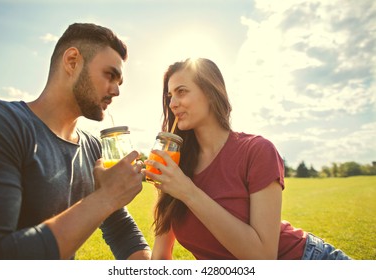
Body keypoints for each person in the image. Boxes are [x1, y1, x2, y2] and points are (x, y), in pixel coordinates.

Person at [144, 58, 351, 260]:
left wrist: (188, 192)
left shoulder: (257, 151)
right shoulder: (176, 165)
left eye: (181, 92)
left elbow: (264, 258)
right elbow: (161, 256)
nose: (172, 103)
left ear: (210, 92)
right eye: (169, 95)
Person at [0, 23, 151, 260]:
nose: (116, 91)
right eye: (110, 75)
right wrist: (106, 197)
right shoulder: (1, 123)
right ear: (72, 61)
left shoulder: (94, 148)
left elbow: (121, 229)